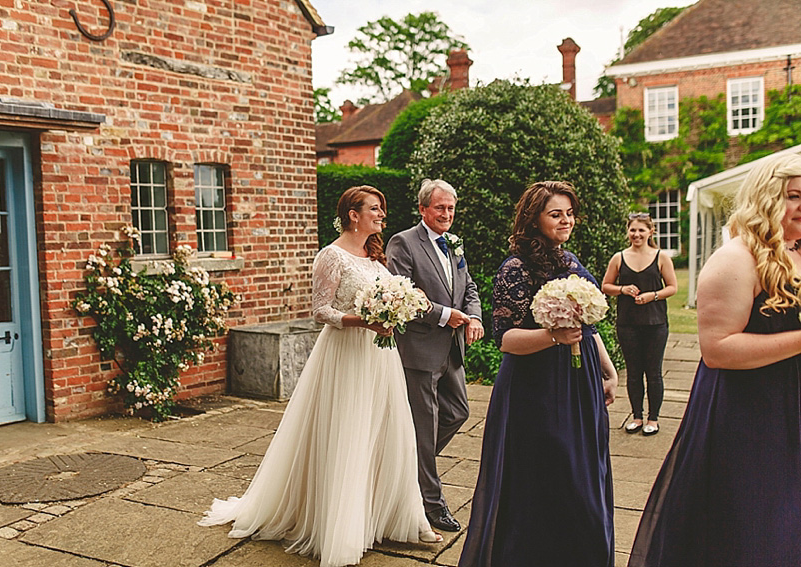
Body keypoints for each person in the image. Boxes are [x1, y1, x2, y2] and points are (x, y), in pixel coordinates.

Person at [198, 186, 442, 567]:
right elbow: (320, 310)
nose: (381, 215)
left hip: (380, 358)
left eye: (382, 208)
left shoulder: (375, 258)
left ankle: (405, 518)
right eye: (374, 209)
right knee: (348, 433)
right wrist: (363, 320)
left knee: (389, 431)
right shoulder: (331, 256)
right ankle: (342, 525)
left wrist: (400, 310)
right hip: (345, 355)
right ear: (352, 215)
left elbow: (392, 296)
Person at [628, 154, 801, 567]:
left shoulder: (795, 252)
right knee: (754, 526)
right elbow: (718, 348)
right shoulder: (736, 259)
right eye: (794, 196)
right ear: (767, 196)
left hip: (791, 407)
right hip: (751, 415)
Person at [459, 181, 618, 567]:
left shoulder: (571, 260)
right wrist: (553, 336)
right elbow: (507, 338)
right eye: (555, 214)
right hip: (537, 389)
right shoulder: (516, 267)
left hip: (579, 384)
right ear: (535, 219)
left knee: (584, 475)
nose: (566, 220)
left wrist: (607, 369)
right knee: (550, 476)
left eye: (569, 213)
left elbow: (587, 326)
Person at [385, 178, 484, 533]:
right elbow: (401, 294)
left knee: (458, 412)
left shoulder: (454, 244)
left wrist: (473, 316)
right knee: (424, 430)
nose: (447, 214)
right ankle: (432, 503)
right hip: (420, 349)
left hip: (451, 348)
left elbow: (468, 286)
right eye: (440, 207)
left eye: (451, 208)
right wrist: (445, 314)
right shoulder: (403, 242)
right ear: (424, 208)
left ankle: (408, 467)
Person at [601, 213, 677, 436]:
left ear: (650, 232)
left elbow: (672, 287)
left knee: (653, 373)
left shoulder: (661, 257)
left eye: (641, 230)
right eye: (633, 230)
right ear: (628, 232)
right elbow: (606, 285)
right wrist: (622, 289)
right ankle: (636, 416)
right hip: (627, 323)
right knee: (633, 373)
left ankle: (653, 419)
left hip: (655, 323)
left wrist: (652, 295)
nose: (636, 234)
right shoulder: (619, 258)